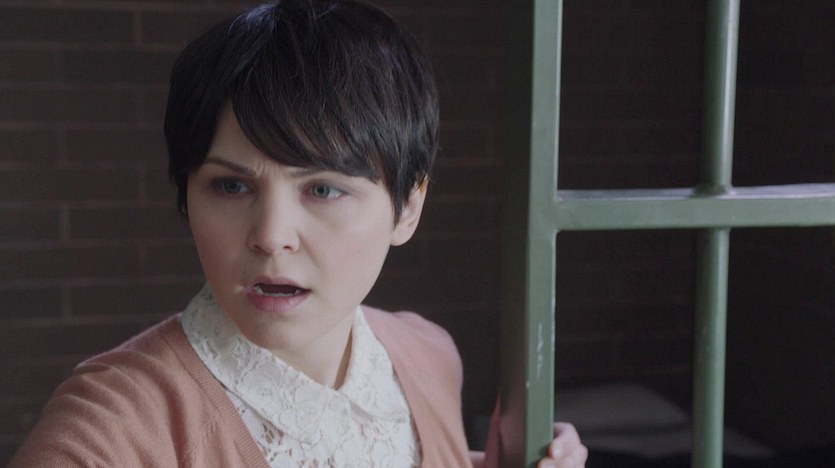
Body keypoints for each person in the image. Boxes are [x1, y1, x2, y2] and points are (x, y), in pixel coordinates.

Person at [10, 1, 587, 466]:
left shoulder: (427, 355)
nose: (271, 236)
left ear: (408, 208)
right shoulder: (106, 430)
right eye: (231, 186)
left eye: (323, 190)